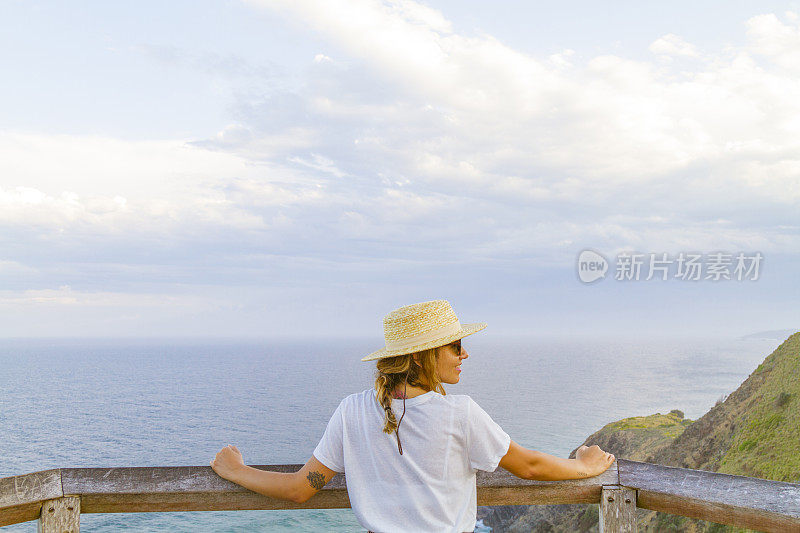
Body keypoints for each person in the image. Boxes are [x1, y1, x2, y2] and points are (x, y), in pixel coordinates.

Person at [210, 299, 615, 532]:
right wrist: (583, 466)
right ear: (423, 355)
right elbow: (527, 467)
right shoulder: (460, 414)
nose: (465, 354)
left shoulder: (351, 410)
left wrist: (235, 469)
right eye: (455, 346)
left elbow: (301, 488)